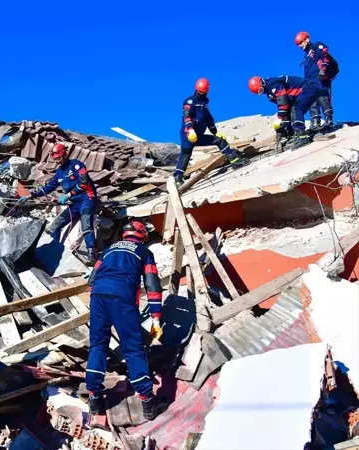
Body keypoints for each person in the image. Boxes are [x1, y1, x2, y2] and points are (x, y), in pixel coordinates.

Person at [85, 221, 167, 421]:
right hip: (122, 300)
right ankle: (148, 402)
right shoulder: (144, 253)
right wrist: (156, 316)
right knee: (133, 349)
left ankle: (94, 398)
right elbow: (152, 284)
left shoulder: (107, 250)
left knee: (97, 346)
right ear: (142, 236)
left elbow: (91, 281)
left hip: (98, 298)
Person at [19, 143, 98, 264]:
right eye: (55, 159)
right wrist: (31, 195)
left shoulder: (77, 165)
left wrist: (68, 195)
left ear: (65, 155)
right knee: (55, 226)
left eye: (59, 158)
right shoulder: (59, 173)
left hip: (87, 199)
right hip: (74, 204)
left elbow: (84, 182)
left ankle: (92, 254)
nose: (57, 161)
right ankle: (54, 251)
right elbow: (49, 187)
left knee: (86, 224)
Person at [174, 78, 241, 185]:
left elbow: (208, 119)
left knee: (219, 140)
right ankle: (178, 178)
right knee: (186, 154)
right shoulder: (189, 101)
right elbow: (187, 116)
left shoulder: (204, 104)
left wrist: (214, 132)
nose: (201, 93)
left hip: (199, 135)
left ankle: (234, 160)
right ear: (196, 90)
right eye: (200, 92)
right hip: (189, 135)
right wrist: (190, 130)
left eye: (203, 92)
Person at [248, 75, 321, 149]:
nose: (262, 92)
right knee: (290, 111)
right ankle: (293, 134)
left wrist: (279, 119)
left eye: (261, 89)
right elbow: (286, 110)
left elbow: (283, 104)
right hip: (298, 94)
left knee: (296, 108)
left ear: (262, 83)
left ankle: (302, 136)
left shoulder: (273, 84)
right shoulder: (270, 94)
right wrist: (283, 129)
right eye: (260, 92)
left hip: (308, 88)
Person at [295, 31, 338, 132]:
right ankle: (315, 123)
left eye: (301, 42)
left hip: (320, 77)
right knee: (311, 100)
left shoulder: (316, 46)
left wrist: (323, 70)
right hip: (309, 81)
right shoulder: (305, 56)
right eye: (298, 44)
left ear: (307, 39)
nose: (300, 46)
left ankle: (329, 121)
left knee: (322, 97)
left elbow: (324, 56)